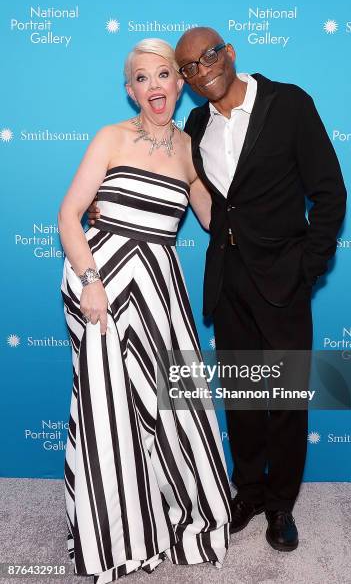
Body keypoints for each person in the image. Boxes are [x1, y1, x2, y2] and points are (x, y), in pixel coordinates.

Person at [58, 38, 230, 584]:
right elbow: (69, 215)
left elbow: (214, 218)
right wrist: (88, 281)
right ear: (130, 89)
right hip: (100, 279)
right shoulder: (109, 137)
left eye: (163, 75)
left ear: (180, 84)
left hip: (159, 282)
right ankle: (117, 540)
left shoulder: (190, 150)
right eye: (142, 78)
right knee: (108, 411)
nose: (154, 86)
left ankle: (188, 520)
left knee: (175, 403)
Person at [174, 27, 347, 551]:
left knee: (285, 399)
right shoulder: (197, 121)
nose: (202, 71)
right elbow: (198, 193)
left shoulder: (288, 103)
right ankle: (247, 491)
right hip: (229, 281)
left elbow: (329, 192)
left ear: (229, 53)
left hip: (283, 279)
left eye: (208, 56)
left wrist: (307, 268)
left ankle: (280, 504)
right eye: (189, 67)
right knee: (245, 398)